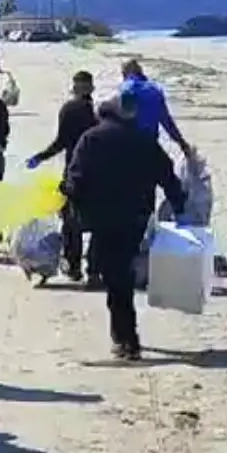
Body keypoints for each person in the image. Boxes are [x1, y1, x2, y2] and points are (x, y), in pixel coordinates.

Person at [62, 93, 187, 361]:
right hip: (136, 216)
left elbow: (76, 179)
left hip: (103, 217)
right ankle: (125, 336)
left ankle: (126, 338)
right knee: (121, 271)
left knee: (115, 276)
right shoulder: (143, 140)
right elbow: (167, 174)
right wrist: (179, 204)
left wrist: (69, 196)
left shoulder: (91, 139)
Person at [26, 70, 100, 285]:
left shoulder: (69, 109)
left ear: (75, 87)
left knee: (71, 221)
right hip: (96, 173)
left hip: (74, 172)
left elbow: (61, 142)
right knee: (96, 221)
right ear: (91, 88)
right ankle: (93, 268)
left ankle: (74, 266)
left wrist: (40, 157)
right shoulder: (98, 113)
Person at [118, 59, 192, 157]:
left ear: (125, 73)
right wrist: (181, 143)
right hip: (150, 144)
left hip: (132, 143)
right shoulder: (155, 88)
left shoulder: (126, 87)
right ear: (140, 71)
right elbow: (166, 121)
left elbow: (125, 118)